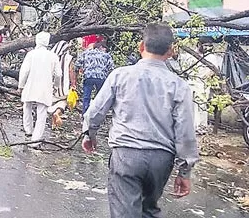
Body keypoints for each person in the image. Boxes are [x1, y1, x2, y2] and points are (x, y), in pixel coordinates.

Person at [82, 23, 198, 218]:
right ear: (170, 51)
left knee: (125, 213)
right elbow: (185, 132)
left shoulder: (120, 75)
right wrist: (185, 171)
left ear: (140, 46)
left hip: (127, 155)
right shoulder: (179, 86)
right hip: (161, 160)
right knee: (149, 210)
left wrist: (89, 134)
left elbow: (95, 111)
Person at [18, 31, 61, 142]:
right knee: (42, 113)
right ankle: (36, 139)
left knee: (27, 106)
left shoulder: (31, 54)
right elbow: (59, 74)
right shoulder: (53, 56)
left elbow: (24, 71)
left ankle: (28, 130)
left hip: (31, 85)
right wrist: (56, 86)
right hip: (45, 88)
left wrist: (21, 85)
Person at [75, 41, 114, 115]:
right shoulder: (106, 55)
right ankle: (98, 114)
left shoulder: (86, 53)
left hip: (88, 76)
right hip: (101, 77)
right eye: (105, 48)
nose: (105, 50)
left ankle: (85, 114)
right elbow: (111, 68)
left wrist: (77, 75)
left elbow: (77, 65)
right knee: (100, 97)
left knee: (86, 97)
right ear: (101, 47)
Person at [49, 40, 77, 128]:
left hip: (51, 85)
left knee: (52, 103)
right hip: (63, 86)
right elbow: (71, 71)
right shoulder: (68, 58)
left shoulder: (51, 56)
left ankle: (53, 123)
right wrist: (73, 83)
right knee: (63, 102)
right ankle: (57, 114)